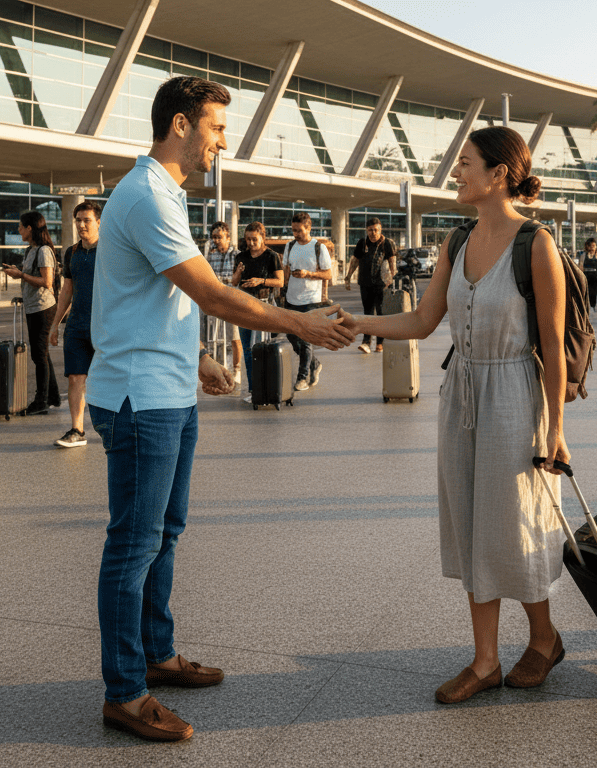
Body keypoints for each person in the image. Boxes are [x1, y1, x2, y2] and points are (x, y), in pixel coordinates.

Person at [85, 75, 353, 743]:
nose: (222, 143)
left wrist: (196, 356)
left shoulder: (166, 195)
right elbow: (209, 293)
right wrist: (298, 323)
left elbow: (159, 295)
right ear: (180, 125)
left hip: (167, 389)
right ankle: (125, 692)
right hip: (140, 399)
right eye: (216, 128)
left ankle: (158, 653)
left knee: (165, 533)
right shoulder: (148, 195)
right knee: (134, 544)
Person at [341, 125, 572, 705]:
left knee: (515, 521)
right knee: (470, 521)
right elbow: (423, 321)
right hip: (461, 394)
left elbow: (553, 346)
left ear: (499, 174)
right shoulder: (456, 240)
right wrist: (356, 324)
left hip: (515, 394)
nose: (456, 172)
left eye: (466, 163)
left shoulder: (536, 244)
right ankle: (485, 660)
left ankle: (544, 639)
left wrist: (555, 431)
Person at [48, 201, 102, 448]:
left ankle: (116, 425)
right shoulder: (71, 252)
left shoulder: (111, 250)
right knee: (75, 378)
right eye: (78, 220)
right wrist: (55, 324)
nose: (81, 225)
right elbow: (66, 291)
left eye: (86, 220)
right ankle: (77, 429)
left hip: (106, 327)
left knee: (110, 379)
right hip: (77, 326)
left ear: (98, 222)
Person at [2, 211, 61, 415]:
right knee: (41, 353)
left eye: (20, 226)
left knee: (38, 355)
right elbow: (30, 276)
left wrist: (21, 275)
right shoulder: (30, 250)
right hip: (33, 307)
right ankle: (52, 396)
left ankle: (41, 401)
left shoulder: (44, 251)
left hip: (43, 308)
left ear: (29, 228)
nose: (18, 230)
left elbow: (47, 281)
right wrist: (18, 273)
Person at [231, 221, 284, 404]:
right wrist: (238, 272)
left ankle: (267, 389)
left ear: (263, 238)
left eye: (254, 239)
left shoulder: (271, 256)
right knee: (247, 349)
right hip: (244, 305)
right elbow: (234, 282)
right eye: (248, 239)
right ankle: (254, 390)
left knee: (262, 348)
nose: (251, 243)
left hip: (263, 306)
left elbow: (280, 281)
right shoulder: (241, 256)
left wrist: (260, 281)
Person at [281, 211, 333, 391]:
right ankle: (315, 364)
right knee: (291, 335)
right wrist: (282, 289)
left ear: (308, 228)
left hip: (311, 299)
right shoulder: (290, 246)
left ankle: (302, 377)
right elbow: (286, 270)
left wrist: (308, 274)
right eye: (293, 230)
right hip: (291, 298)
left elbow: (328, 274)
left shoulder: (319, 247)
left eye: (299, 230)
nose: (295, 234)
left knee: (305, 338)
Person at [343, 217, 398, 354]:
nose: (373, 233)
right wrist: (348, 277)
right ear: (366, 230)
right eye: (370, 230)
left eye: (375, 230)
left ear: (380, 229)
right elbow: (355, 261)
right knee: (367, 313)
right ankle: (366, 342)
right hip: (365, 283)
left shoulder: (387, 243)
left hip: (382, 285)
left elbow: (392, 263)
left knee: (380, 313)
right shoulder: (362, 243)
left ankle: (380, 343)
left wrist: (392, 280)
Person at [203, 221, 243, 385]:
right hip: (216, 301)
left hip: (232, 300)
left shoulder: (237, 255)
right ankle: (218, 370)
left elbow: (237, 280)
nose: (216, 240)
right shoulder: (211, 255)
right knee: (214, 336)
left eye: (219, 237)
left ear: (228, 237)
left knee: (234, 336)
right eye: (214, 237)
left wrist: (220, 280)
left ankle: (237, 369)